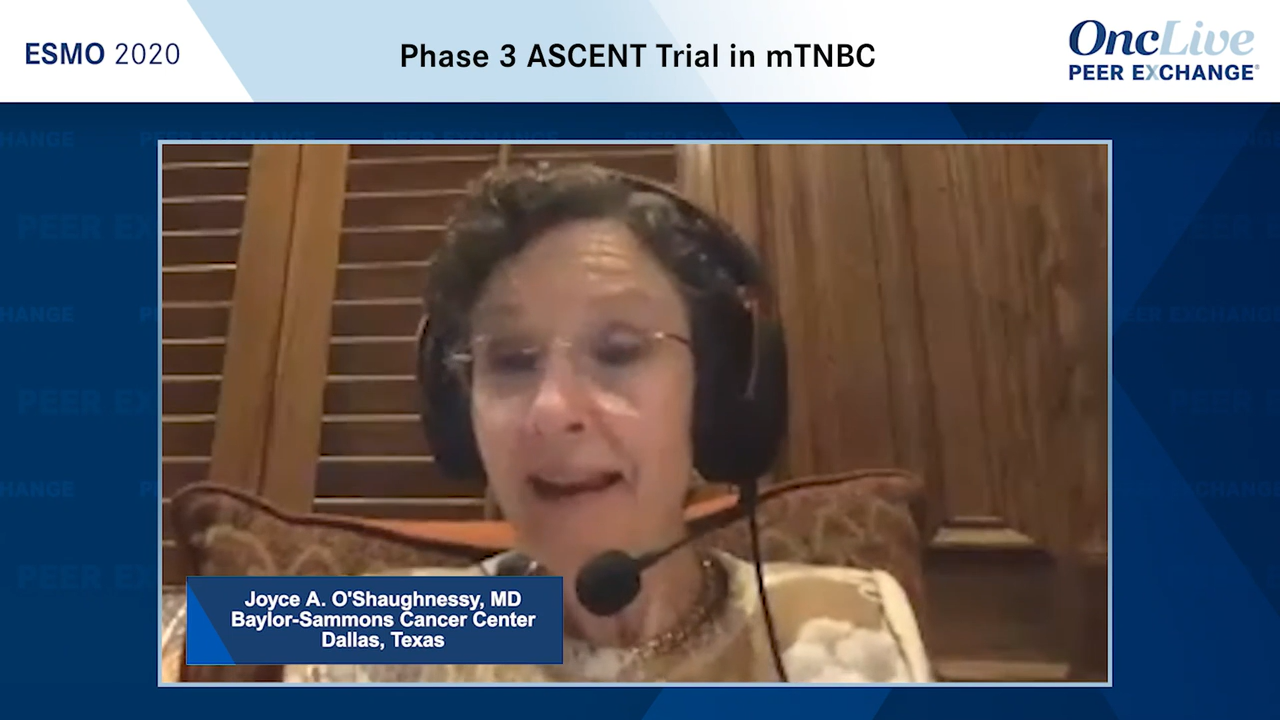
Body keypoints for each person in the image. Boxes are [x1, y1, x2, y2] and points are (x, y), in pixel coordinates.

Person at [163, 163, 931, 683]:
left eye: (619, 351)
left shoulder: (845, 629)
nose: (552, 410)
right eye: (511, 360)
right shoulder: (381, 630)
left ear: (717, 389)